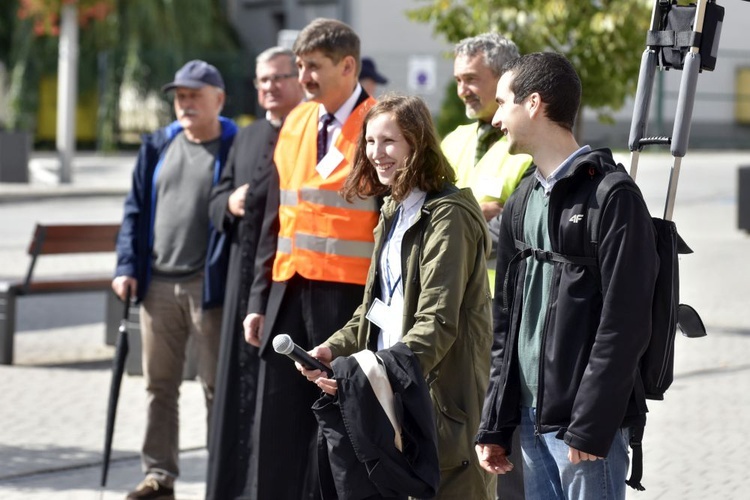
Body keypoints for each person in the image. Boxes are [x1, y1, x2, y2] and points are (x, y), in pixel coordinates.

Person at [475, 52, 659, 500]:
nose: (496, 117)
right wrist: (495, 421)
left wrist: (591, 423)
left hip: (580, 426)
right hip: (530, 419)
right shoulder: (522, 199)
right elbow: (507, 321)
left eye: (503, 103)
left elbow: (626, 321)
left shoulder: (612, 197)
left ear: (534, 103)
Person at [298, 93, 495, 498]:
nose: (376, 153)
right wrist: (333, 351)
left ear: (417, 143)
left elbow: (437, 322)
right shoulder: (393, 210)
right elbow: (375, 309)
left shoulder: (448, 215)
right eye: (370, 142)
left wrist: (373, 373)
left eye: (389, 141)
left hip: (439, 402)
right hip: (396, 394)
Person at [242, 18, 379, 500]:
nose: (302, 78)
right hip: (288, 291)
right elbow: (274, 219)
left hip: (349, 302)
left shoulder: (382, 124)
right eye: (299, 66)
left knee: (341, 431)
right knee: (276, 427)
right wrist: (260, 298)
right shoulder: (297, 121)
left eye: (313, 67)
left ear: (347, 65)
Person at [112, 60, 237, 500]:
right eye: (179, 96)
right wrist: (126, 266)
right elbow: (134, 210)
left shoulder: (234, 145)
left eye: (194, 96)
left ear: (217, 100)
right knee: (158, 386)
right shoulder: (159, 144)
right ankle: (159, 476)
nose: (184, 104)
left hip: (210, 287)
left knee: (215, 388)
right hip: (157, 285)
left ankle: (221, 480)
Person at [205, 47, 304, 500]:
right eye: (262, 81)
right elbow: (216, 196)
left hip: (286, 285)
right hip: (241, 280)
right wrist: (228, 203)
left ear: (298, 80)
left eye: (278, 78)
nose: (268, 88)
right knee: (234, 401)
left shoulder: (307, 131)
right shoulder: (245, 138)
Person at [443, 32, 531, 500]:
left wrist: (461, 226)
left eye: (472, 79)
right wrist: (481, 215)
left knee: (502, 433)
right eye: (458, 80)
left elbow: (512, 238)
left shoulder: (522, 144)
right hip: (452, 309)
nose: (463, 90)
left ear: (504, 77)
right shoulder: (452, 141)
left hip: (501, 313)